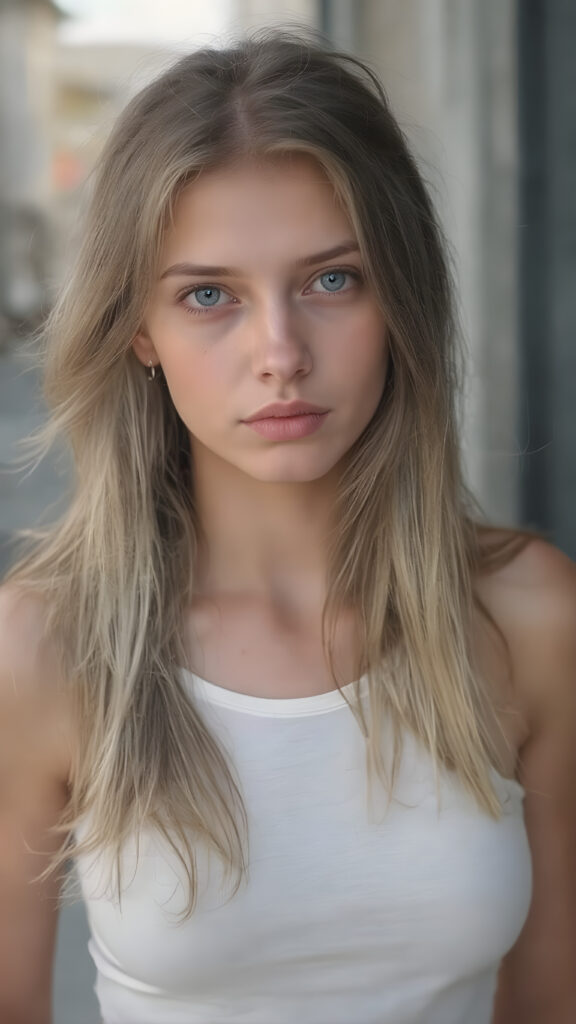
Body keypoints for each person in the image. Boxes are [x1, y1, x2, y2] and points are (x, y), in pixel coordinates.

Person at [0, 29, 575, 1024]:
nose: (280, 352)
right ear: (140, 328)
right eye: (209, 295)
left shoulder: (528, 618)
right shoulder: (45, 647)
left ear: (399, 296)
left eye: (331, 280)